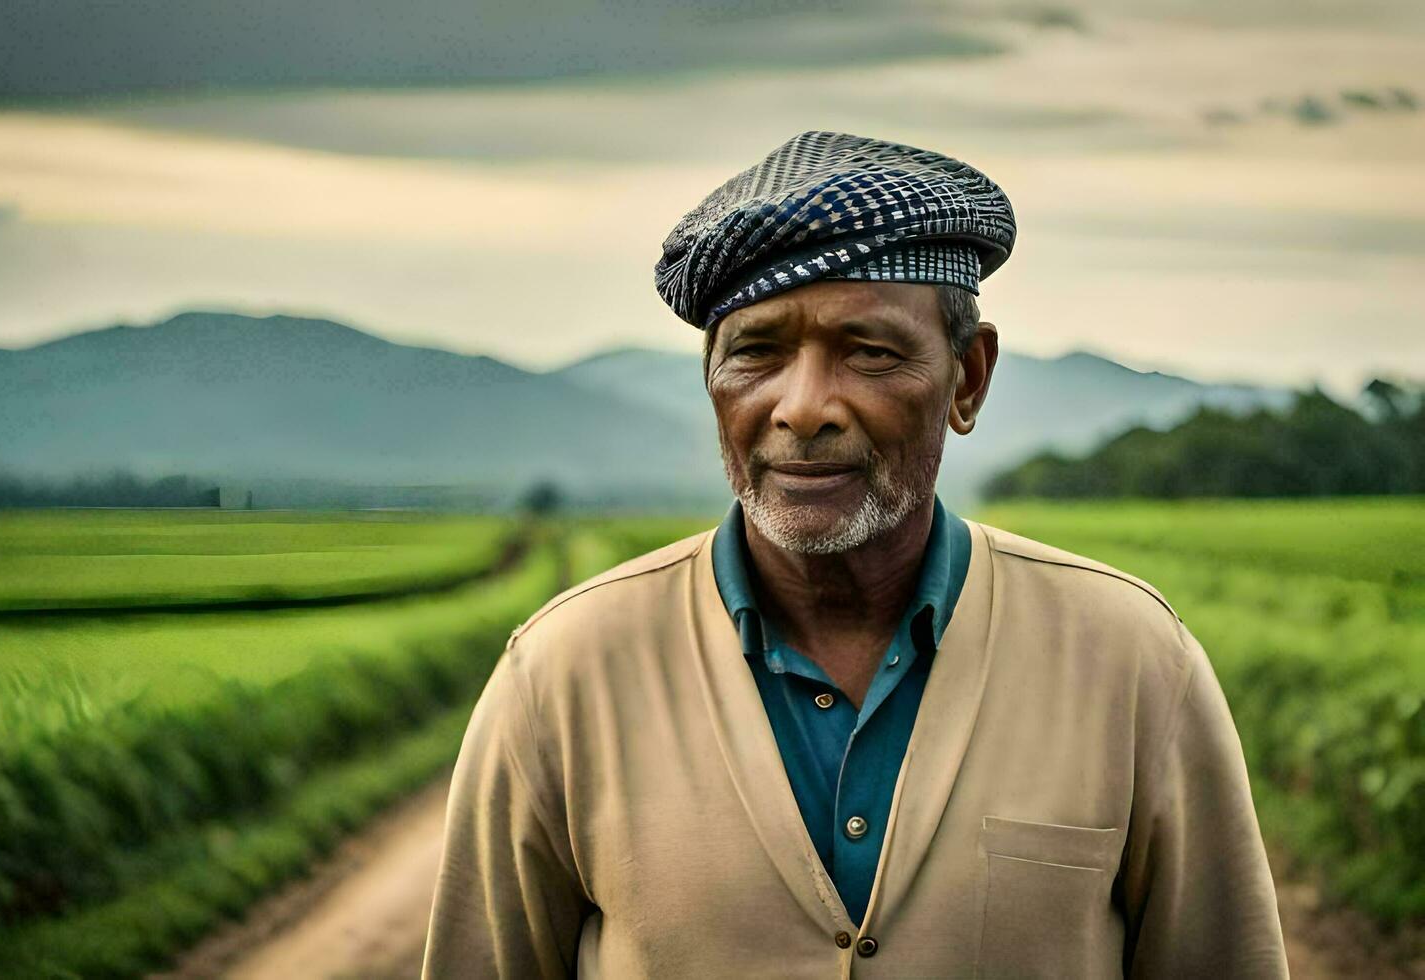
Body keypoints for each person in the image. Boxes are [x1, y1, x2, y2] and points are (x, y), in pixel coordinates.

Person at [421, 130, 1288, 978]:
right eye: (756, 354)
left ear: (968, 379)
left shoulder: (1129, 658)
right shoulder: (562, 673)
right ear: (713, 384)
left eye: (869, 353)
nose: (803, 408)